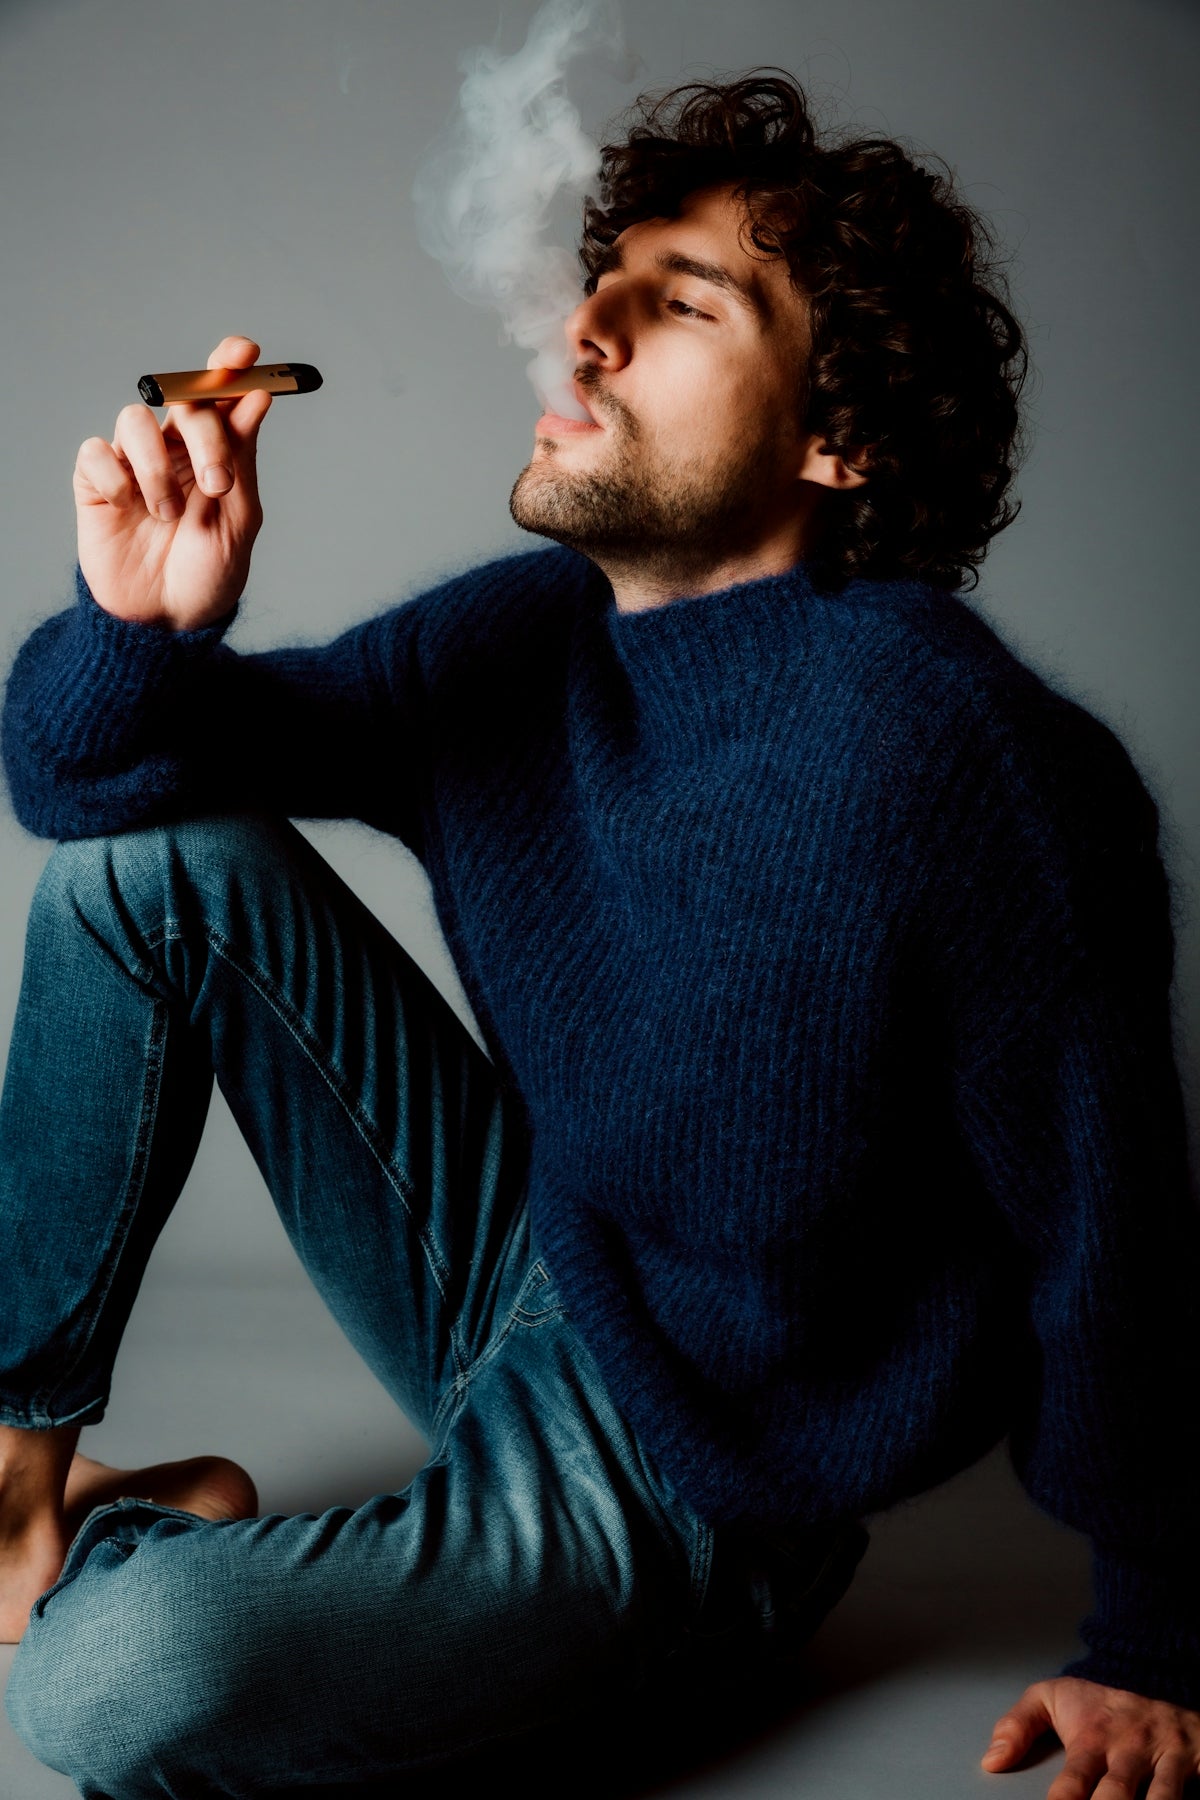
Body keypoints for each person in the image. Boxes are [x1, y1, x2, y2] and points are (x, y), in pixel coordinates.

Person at [1, 68, 1198, 1800]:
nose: (593, 327)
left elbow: (1116, 1223)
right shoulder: (523, 644)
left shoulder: (963, 758)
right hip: (537, 1266)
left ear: (833, 439)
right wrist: (142, 627)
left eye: (684, 301)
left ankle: (164, 1585)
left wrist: (1153, 1641)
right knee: (143, 873)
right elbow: (84, 785)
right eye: (608, 279)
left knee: (119, 1693)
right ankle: (28, 1505)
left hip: (709, 1476)